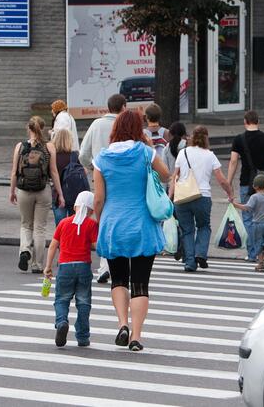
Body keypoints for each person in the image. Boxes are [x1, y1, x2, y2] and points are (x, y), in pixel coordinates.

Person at [93, 110, 170, 352]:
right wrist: (148, 145)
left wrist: (100, 221)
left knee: (118, 280)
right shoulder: (145, 153)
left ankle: (122, 323)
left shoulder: (102, 158)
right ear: (139, 129)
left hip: (113, 225)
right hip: (142, 226)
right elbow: (166, 175)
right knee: (140, 284)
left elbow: (98, 199)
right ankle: (136, 336)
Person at [172, 126, 234, 272]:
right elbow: (222, 180)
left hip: (182, 198)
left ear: (192, 137)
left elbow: (175, 176)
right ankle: (200, 254)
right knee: (204, 226)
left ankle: (189, 262)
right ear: (206, 138)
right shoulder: (210, 155)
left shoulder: (183, 152)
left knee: (187, 230)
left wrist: (170, 195)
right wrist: (230, 193)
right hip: (202, 196)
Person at [80, 93, 127, 284]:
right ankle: (117, 265)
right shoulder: (125, 125)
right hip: (123, 181)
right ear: (123, 107)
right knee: (121, 221)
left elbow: (83, 153)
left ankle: (103, 266)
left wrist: (93, 168)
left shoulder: (97, 124)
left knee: (104, 221)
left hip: (100, 178)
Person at [10, 116, 65, 273]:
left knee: (26, 224)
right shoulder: (49, 147)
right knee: (40, 228)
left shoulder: (20, 147)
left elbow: (14, 172)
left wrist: (12, 191)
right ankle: (37, 265)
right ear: (43, 129)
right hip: (43, 190)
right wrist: (60, 194)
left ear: (29, 128)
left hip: (23, 190)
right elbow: (54, 172)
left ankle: (25, 250)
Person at [44, 191, 98, 348]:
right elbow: (96, 245)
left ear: (75, 206)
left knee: (61, 299)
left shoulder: (63, 223)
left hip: (65, 267)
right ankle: (82, 336)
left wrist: (48, 267)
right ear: (92, 211)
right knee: (83, 302)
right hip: (83, 267)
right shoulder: (91, 224)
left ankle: (61, 322)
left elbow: (53, 245)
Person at [226, 110, 264, 262]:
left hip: (247, 183)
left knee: (249, 219)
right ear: (258, 121)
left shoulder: (238, 139)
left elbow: (233, 161)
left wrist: (228, 182)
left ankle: (254, 253)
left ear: (245, 121)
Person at [231, 174, 264, 272]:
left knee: (258, 243)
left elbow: (247, 208)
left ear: (254, 186)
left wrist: (235, 204)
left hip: (257, 225)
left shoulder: (254, 197)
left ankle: (261, 263)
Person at [50, 128, 78, 225]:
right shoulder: (74, 156)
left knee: (60, 226)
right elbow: (83, 171)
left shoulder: (52, 156)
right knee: (72, 225)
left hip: (57, 194)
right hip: (73, 194)